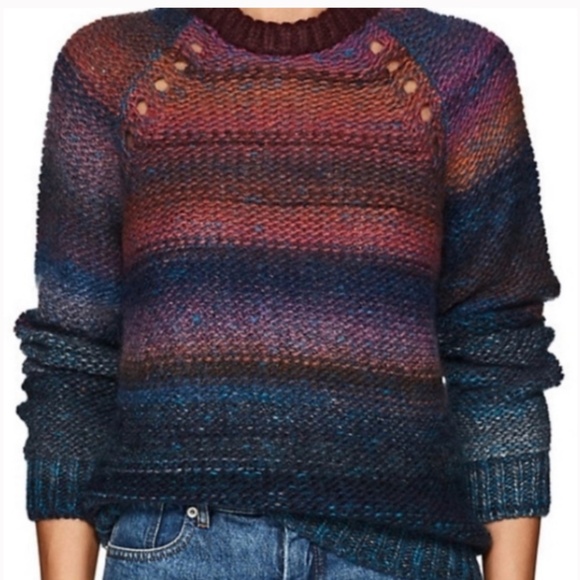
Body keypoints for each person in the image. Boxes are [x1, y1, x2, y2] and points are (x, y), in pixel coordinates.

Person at [12, 7, 564, 580]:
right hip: (180, 549)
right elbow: (74, 359)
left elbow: (499, 354)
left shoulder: (458, 72)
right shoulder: (112, 68)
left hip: (399, 553)